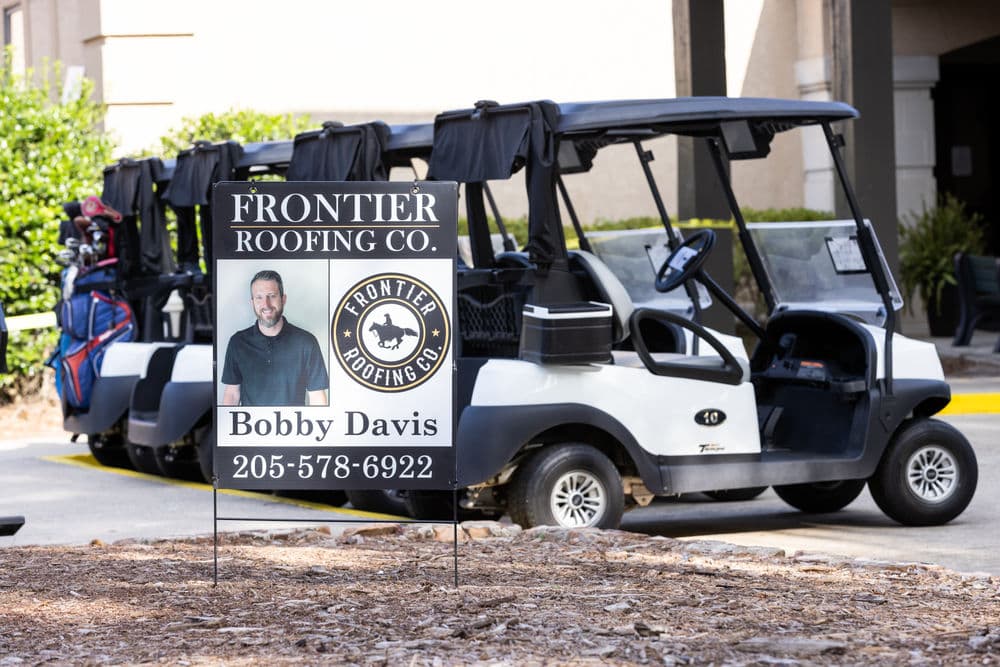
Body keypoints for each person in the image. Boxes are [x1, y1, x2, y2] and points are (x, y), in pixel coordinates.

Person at [221, 270, 329, 406]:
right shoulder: (237, 342)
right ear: (252, 302)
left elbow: (317, 396)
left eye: (272, 296)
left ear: (283, 299)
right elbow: (232, 393)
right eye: (259, 297)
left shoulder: (306, 342)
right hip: (250, 421)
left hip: (292, 420)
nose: (266, 304)